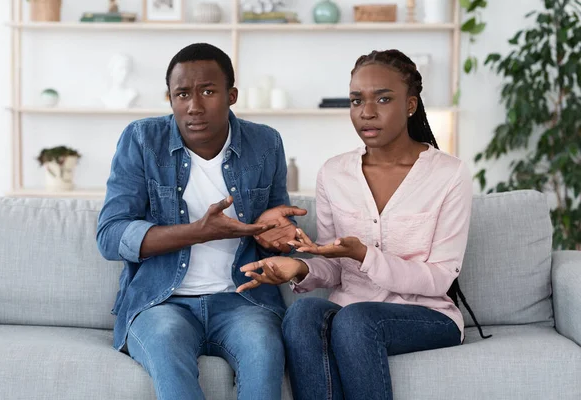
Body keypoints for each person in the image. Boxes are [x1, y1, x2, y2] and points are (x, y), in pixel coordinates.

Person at [237, 49, 489, 400]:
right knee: (303, 313)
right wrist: (297, 268)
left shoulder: (448, 173)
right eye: (357, 101)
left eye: (383, 99)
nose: (367, 112)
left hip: (426, 314)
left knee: (356, 321)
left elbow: (440, 277)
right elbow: (334, 267)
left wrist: (366, 256)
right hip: (350, 310)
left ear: (411, 104)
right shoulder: (334, 173)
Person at [97, 42, 306, 400]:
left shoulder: (266, 143)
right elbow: (110, 235)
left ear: (231, 95)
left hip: (243, 302)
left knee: (264, 353)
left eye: (208, 91)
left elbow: (276, 224)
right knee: (165, 348)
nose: (194, 106)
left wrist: (278, 236)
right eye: (182, 94)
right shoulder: (143, 140)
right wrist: (198, 233)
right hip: (163, 302)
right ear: (170, 98)